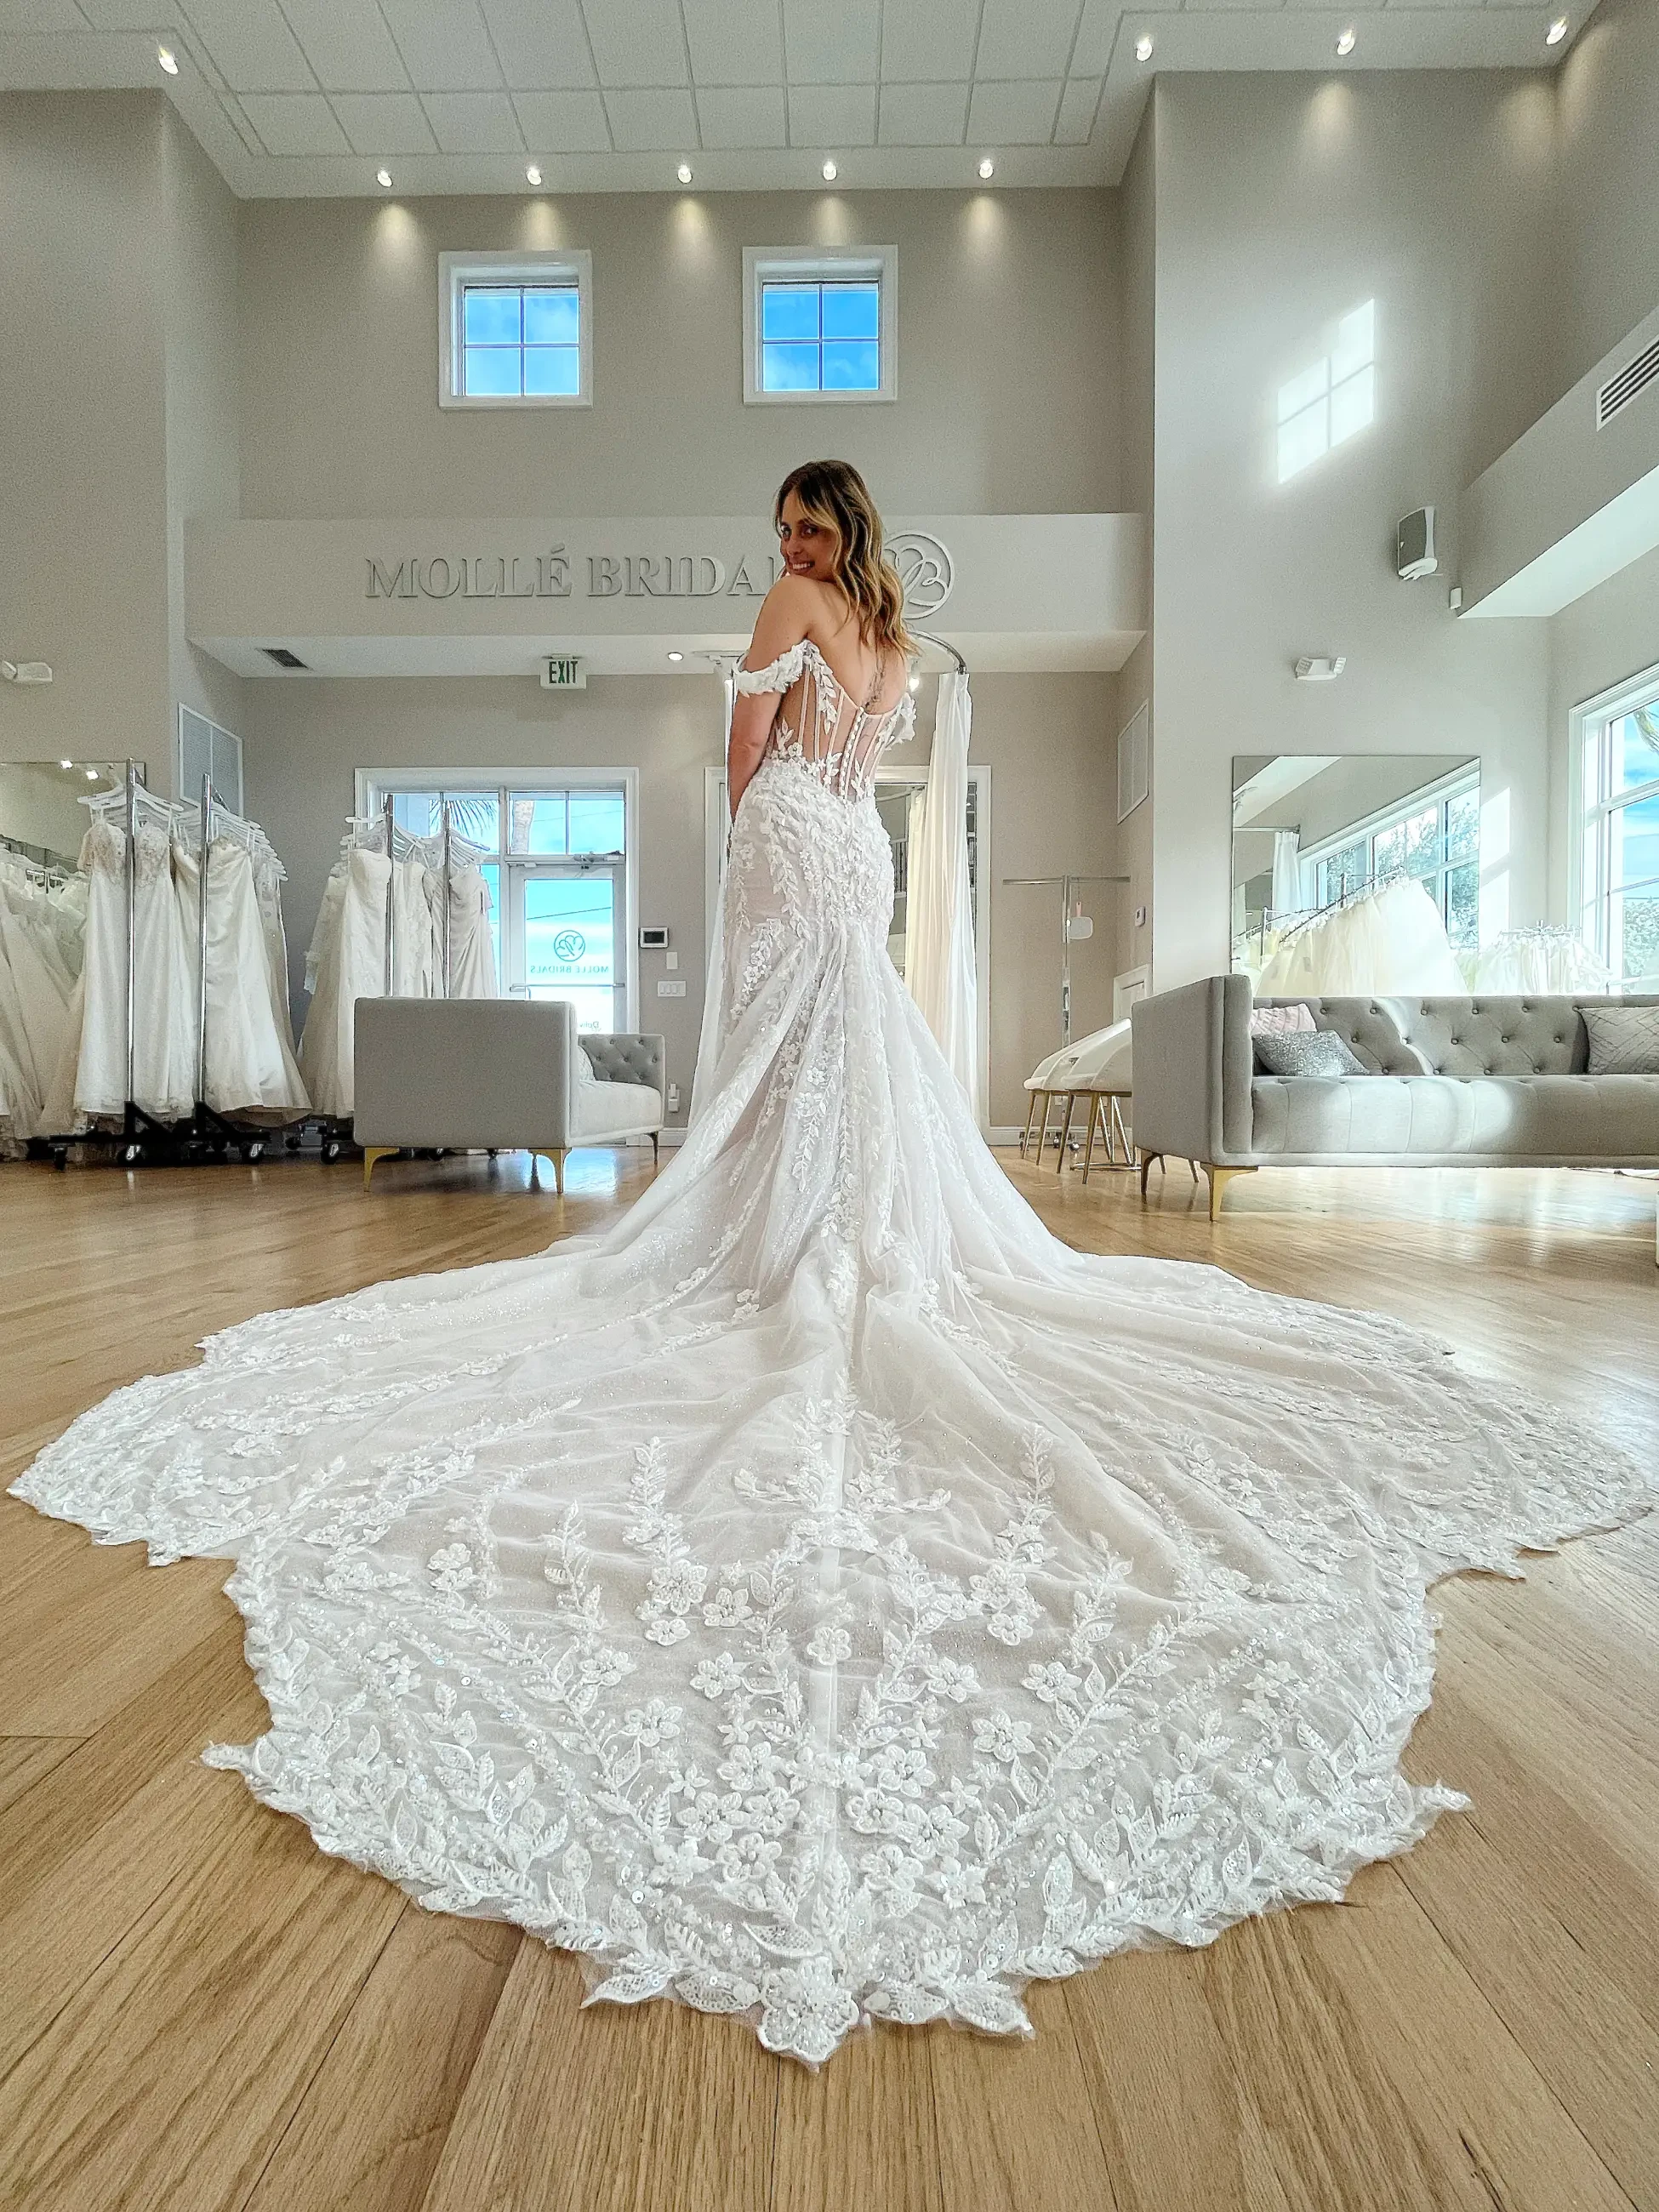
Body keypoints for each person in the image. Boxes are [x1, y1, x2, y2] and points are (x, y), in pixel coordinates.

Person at [13, 459, 1645, 2068]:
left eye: (801, 520)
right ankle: (842, 1231)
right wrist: (808, 801)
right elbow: (855, 755)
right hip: (855, 842)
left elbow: (741, 761)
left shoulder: (792, 603)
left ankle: (783, 1233)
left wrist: (748, 845)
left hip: (794, 838)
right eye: (787, 526)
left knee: (783, 1056)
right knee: (848, 1052)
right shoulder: (890, 637)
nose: (787, 544)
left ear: (823, 530)